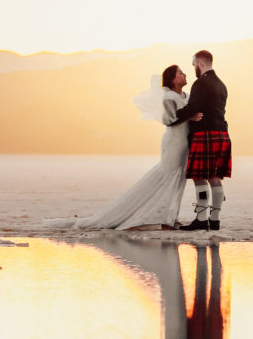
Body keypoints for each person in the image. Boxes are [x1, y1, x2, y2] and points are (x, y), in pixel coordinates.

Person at [45, 65, 202, 230]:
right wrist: (190, 117)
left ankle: (171, 217)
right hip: (174, 142)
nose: (184, 74)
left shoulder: (188, 95)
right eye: (180, 73)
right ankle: (166, 220)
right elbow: (169, 121)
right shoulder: (169, 97)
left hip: (186, 142)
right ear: (172, 79)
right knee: (168, 177)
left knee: (179, 180)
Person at [174, 50, 231, 231]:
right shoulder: (222, 85)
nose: (193, 70)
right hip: (221, 133)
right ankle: (214, 221)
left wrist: (174, 115)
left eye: (193, 66)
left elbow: (193, 108)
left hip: (204, 134)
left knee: (199, 178)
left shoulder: (201, 83)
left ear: (200, 63)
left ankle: (201, 219)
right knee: (214, 177)